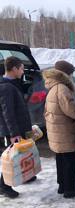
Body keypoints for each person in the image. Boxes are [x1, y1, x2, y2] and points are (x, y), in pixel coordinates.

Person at [43, 60, 75, 198]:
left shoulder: (53, 86)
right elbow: (71, 110)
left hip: (56, 129)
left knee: (61, 158)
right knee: (70, 160)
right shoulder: (62, 89)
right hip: (65, 130)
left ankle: (62, 185)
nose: (72, 76)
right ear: (66, 74)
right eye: (71, 73)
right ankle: (70, 189)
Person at [0, 56, 33, 198]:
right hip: (12, 130)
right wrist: (14, 134)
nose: (22, 71)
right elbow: (8, 112)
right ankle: (4, 186)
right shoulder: (6, 87)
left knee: (21, 154)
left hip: (18, 128)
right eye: (21, 68)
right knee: (12, 157)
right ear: (14, 69)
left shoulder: (11, 84)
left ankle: (25, 176)